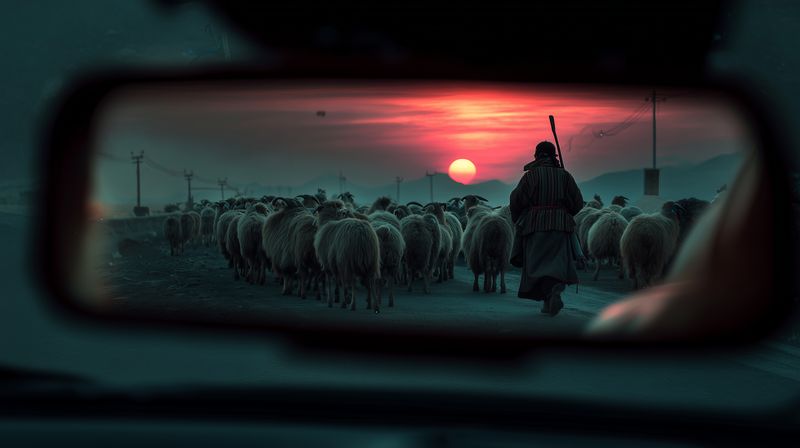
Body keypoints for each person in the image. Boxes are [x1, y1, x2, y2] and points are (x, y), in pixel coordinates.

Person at [509, 141, 584, 316]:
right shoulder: (565, 176)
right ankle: (553, 293)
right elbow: (578, 202)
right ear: (553, 156)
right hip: (560, 226)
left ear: (537, 155)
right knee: (557, 263)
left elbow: (516, 199)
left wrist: (518, 218)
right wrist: (566, 211)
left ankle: (548, 296)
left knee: (537, 266)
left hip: (535, 226)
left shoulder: (531, 176)